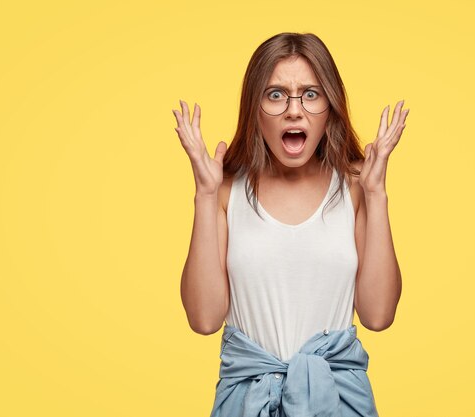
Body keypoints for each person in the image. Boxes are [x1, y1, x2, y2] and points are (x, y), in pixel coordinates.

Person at [172, 32, 409, 417]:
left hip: (338, 402)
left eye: (311, 94)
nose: (294, 110)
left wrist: (377, 192)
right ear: (255, 109)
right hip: (246, 403)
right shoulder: (225, 192)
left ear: (330, 107)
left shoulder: (356, 188)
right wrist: (204, 194)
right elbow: (203, 319)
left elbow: (378, 315)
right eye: (276, 94)